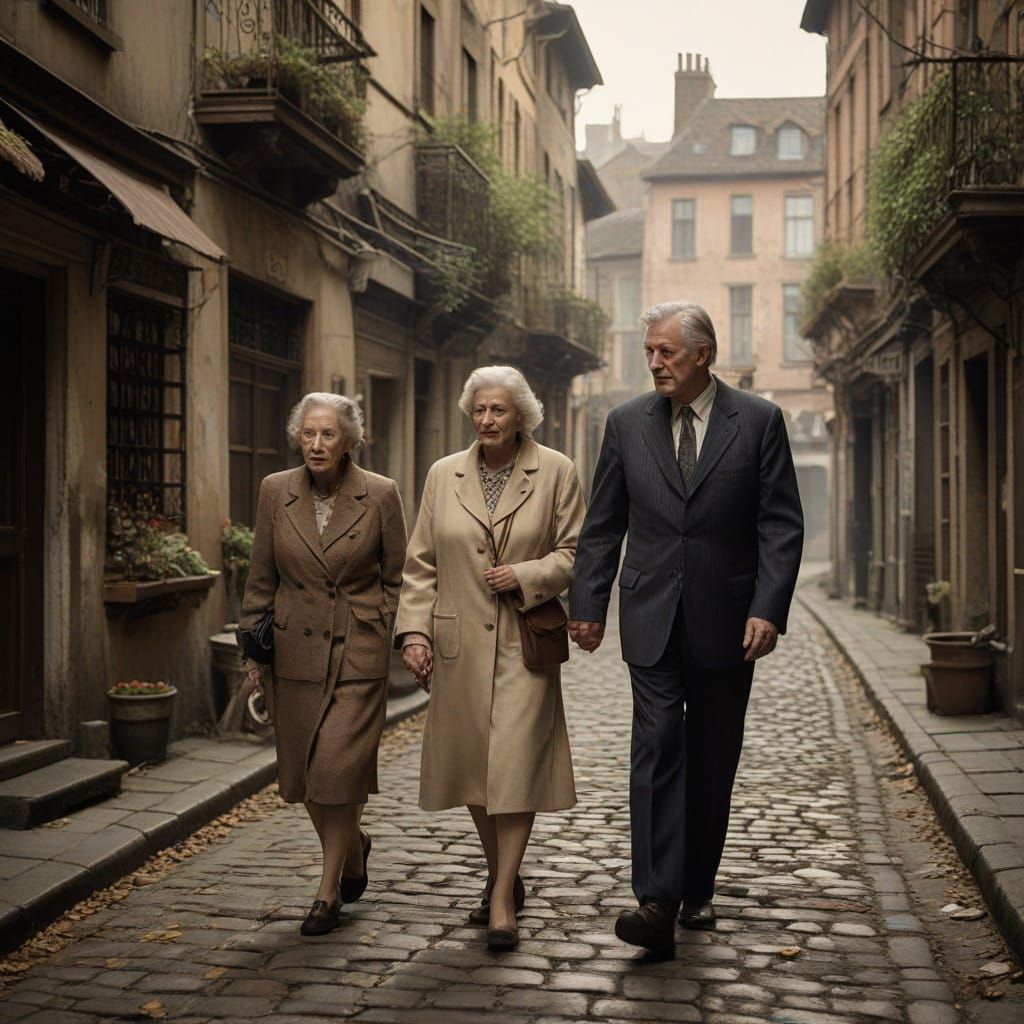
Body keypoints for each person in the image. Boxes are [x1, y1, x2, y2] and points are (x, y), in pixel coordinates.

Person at [569, 301, 803, 956]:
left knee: (711, 757)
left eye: (665, 351)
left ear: (703, 354)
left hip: (729, 623)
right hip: (649, 616)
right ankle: (655, 901)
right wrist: (588, 603)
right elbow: (603, 524)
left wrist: (767, 607)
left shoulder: (758, 421)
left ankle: (697, 885)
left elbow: (780, 524)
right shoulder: (625, 423)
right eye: (649, 351)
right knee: (656, 747)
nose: (654, 362)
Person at [395, 365, 586, 952]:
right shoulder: (442, 474)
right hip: (459, 647)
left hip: (525, 645)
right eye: (478, 409)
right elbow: (420, 564)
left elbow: (576, 552)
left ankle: (502, 896)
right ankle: (502, 871)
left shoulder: (556, 470)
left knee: (516, 765)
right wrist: (414, 633)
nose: (486, 419)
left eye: (498, 409)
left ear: (521, 414)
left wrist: (527, 574)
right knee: (475, 769)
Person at [240, 392, 407, 936]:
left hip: (357, 652)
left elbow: (397, 577)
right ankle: (354, 849)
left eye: (328, 434)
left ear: (349, 440)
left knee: (337, 771)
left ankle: (327, 891)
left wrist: (381, 627)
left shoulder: (380, 493)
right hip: (294, 651)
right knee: (306, 777)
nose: (316, 444)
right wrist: (253, 651)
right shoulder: (274, 490)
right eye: (308, 433)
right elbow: (261, 576)